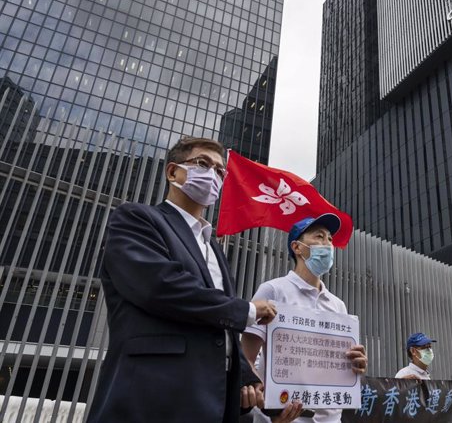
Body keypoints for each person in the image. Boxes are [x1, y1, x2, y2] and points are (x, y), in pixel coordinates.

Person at [88, 137, 290, 423]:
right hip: (151, 397)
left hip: (211, 402)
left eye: (220, 172)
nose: (213, 176)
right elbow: (160, 286)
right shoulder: (137, 219)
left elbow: (220, 327)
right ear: (173, 172)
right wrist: (247, 310)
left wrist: (247, 379)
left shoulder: (214, 248)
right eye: (203, 164)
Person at [241, 214, 368, 422]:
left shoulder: (338, 305)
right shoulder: (273, 291)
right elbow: (246, 359)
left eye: (330, 239)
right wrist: (268, 407)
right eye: (319, 236)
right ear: (297, 247)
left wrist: (357, 366)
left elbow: (342, 366)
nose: (327, 244)